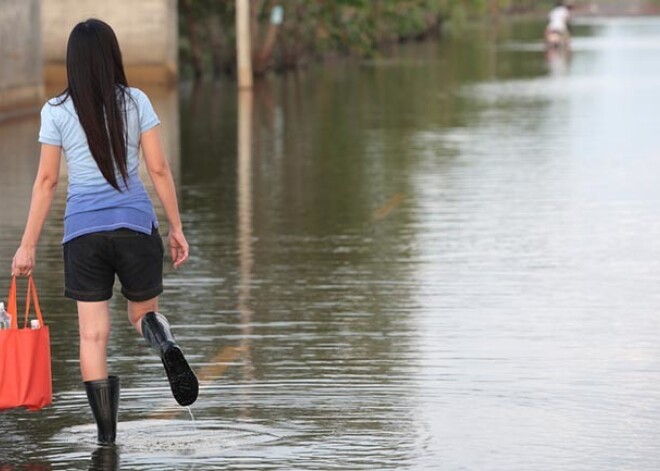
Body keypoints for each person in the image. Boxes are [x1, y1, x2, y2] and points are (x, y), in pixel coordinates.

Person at [11, 19, 198, 445]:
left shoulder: (55, 111)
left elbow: (46, 182)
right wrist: (176, 226)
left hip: (83, 234)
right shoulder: (135, 101)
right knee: (142, 315)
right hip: (135, 225)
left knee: (93, 336)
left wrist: (27, 246)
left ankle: (107, 439)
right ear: (113, 55)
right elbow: (159, 169)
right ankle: (165, 344)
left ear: (72, 62)